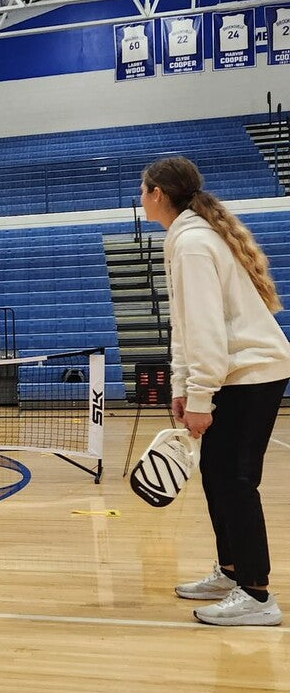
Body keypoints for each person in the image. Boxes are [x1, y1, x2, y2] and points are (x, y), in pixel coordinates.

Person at [141, 157, 290, 627]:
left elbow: (206, 331)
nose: (140, 197)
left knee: (236, 482)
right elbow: (186, 329)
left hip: (249, 376)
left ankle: (257, 594)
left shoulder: (192, 243)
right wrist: (184, 387)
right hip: (234, 374)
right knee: (216, 477)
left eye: (142, 190)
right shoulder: (186, 238)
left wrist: (201, 396)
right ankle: (231, 573)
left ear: (158, 194)